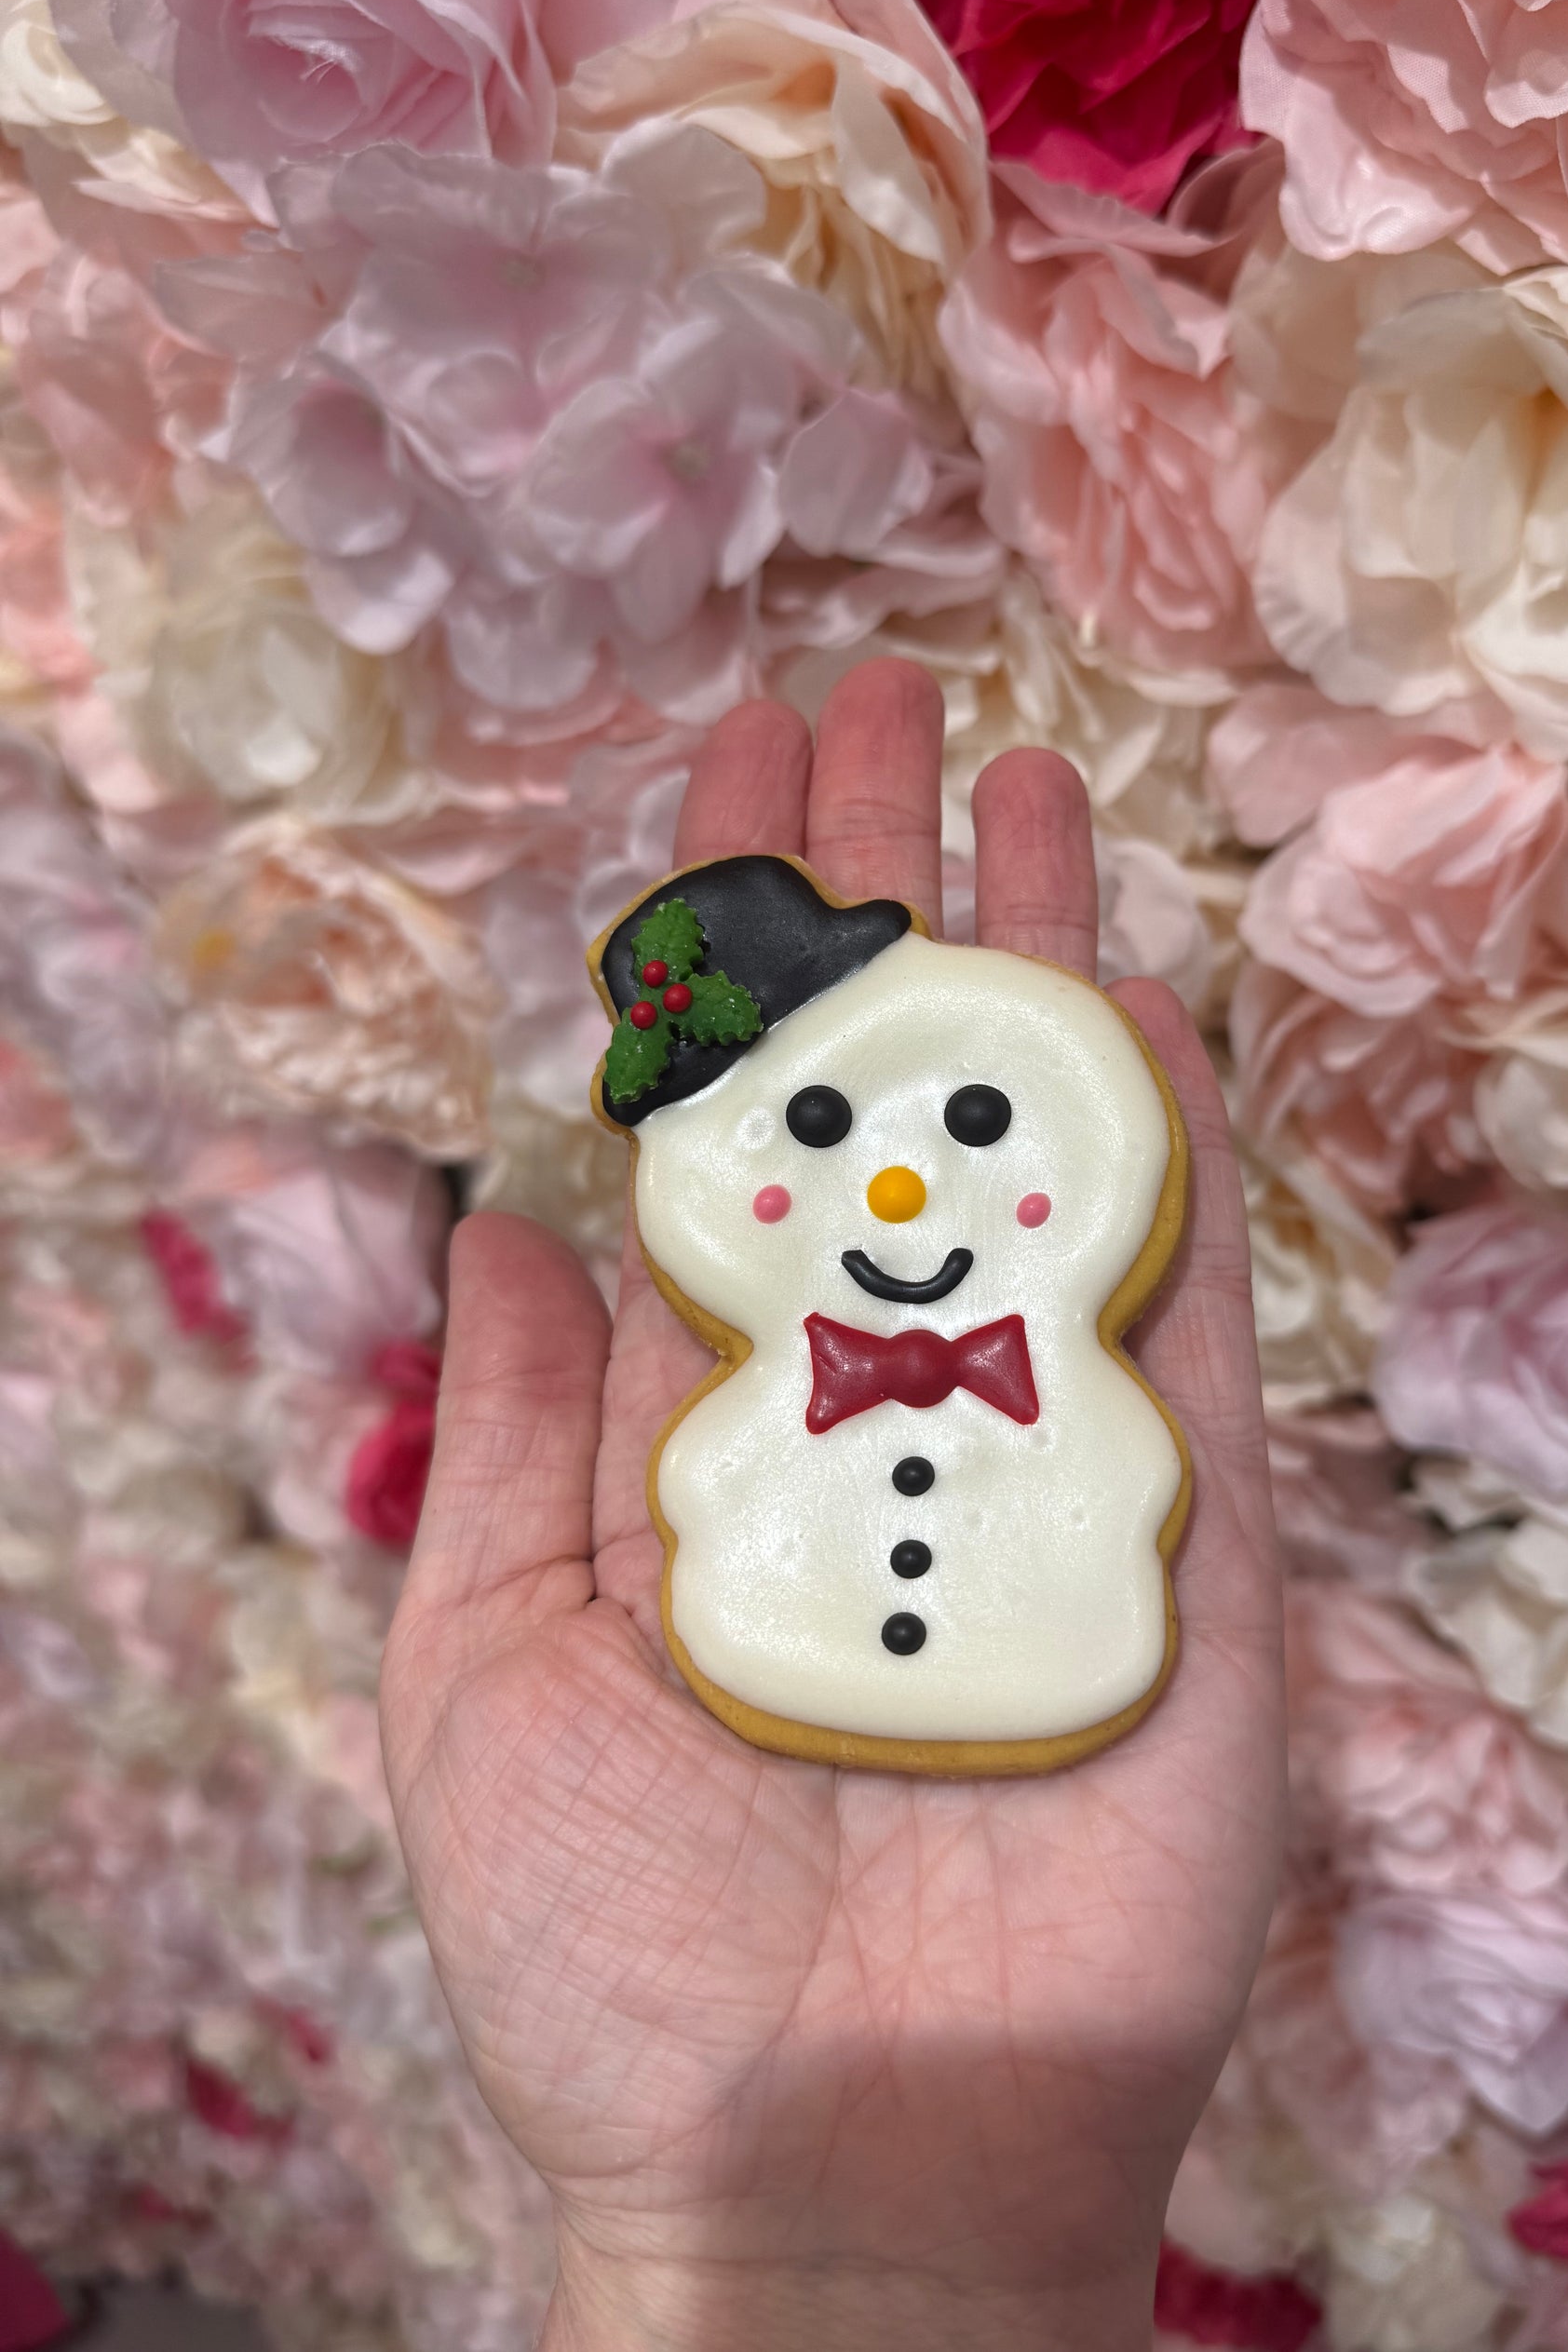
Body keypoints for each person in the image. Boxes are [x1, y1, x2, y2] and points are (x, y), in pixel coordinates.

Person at [379, 660, 1285, 2352]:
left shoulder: (1077, 1368)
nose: (898, 1182)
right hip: (774, 1622)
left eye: (972, 1120)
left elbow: (1129, 1484)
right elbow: (717, 1478)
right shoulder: (749, 1400)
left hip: (1056, 1633)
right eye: (817, 1126)